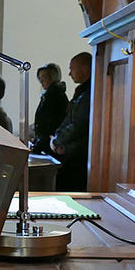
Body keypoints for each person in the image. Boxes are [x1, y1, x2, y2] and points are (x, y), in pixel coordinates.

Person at [50, 52, 92, 191]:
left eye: (72, 68)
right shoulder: (82, 92)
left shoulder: (89, 93)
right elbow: (68, 120)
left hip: (79, 158)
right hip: (71, 153)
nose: (69, 73)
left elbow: (79, 124)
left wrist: (58, 141)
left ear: (85, 68)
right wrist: (57, 138)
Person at [28, 63, 68, 155]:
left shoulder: (53, 96)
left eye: (44, 77)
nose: (41, 81)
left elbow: (49, 124)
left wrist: (38, 146)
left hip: (50, 145)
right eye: (40, 77)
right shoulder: (49, 95)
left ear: (52, 77)